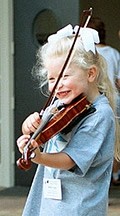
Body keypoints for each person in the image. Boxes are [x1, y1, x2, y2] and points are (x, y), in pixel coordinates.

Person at [17, 24, 120, 216]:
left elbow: (70, 160)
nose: (57, 85)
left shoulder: (100, 114)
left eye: (64, 76)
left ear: (90, 73)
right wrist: (28, 128)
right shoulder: (60, 104)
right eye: (51, 79)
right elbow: (40, 132)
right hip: (50, 204)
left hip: (78, 207)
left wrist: (38, 157)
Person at [88, 17, 120, 185]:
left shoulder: (87, 54)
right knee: (113, 139)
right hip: (114, 99)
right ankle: (114, 176)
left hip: (94, 100)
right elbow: (118, 82)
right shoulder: (114, 53)